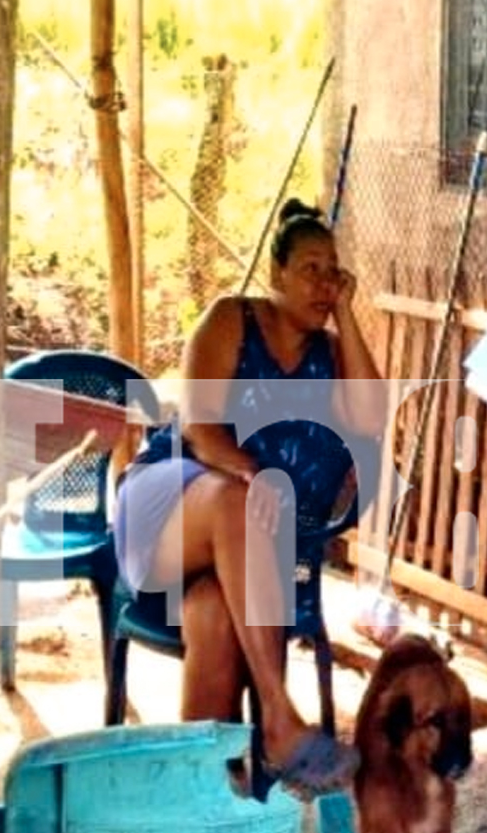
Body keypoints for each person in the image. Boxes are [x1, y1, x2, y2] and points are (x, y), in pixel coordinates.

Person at [115, 199, 384, 799]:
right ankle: (278, 719)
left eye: (334, 271)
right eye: (311, 268)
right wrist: (254, 473)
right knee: (237, 499)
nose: (324, 282)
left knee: (213, 615)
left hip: (241, 557)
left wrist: (349, 316)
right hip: (172, 514)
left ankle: (206, 793)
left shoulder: (333, 353)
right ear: (276, 274)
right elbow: (200, 429)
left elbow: (369, 418)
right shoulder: (231, 320)